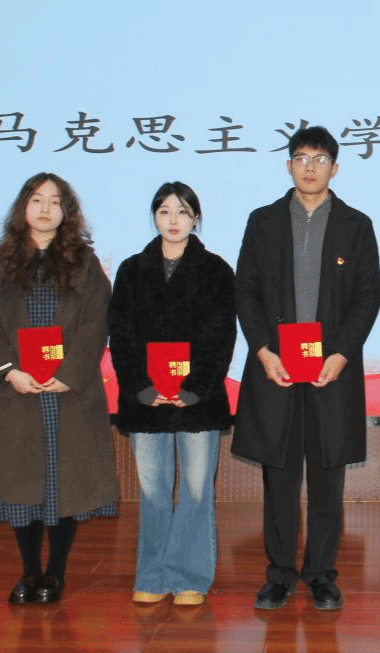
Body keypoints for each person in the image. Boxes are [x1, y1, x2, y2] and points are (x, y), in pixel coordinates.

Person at [231, 126, 380, 611]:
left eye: (319, 159)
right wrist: (263, 350)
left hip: (330, 372)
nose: (310, 167)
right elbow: (245, 290)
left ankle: (320, 573)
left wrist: (341, 353)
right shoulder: (263, 222)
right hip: (275, 369)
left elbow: (368, 296)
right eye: (301, 158)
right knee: (278, 477)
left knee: (326, 476)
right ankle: (279, 573)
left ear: (334, 168)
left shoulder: (356, 225)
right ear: (288, 165)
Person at [0, 172, 118, 605]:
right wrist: (9, 371)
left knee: (64, 486)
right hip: (18, 390)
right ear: (24, 208)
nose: (46, 208)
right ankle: (29, 571)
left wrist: (69, 373)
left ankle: (56, 572)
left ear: (67, 212)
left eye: (55, 201)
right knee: (22, 488)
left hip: (68, 391)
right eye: (37, 200)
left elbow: (96, 325)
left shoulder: (85, 264)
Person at [108, 182, 236, 607]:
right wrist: (143, 389)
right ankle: (153, 574)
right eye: (164, 211)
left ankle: (190, 577)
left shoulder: (216, 271)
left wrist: (193, 388)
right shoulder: (131, 270)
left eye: (182, 211)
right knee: (153, 492)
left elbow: (220, 336)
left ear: (196, 217)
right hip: (146, 402)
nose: (173, 220)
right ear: (155, 217)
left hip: (197, 402)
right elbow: (121, 335)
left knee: (197, 492)